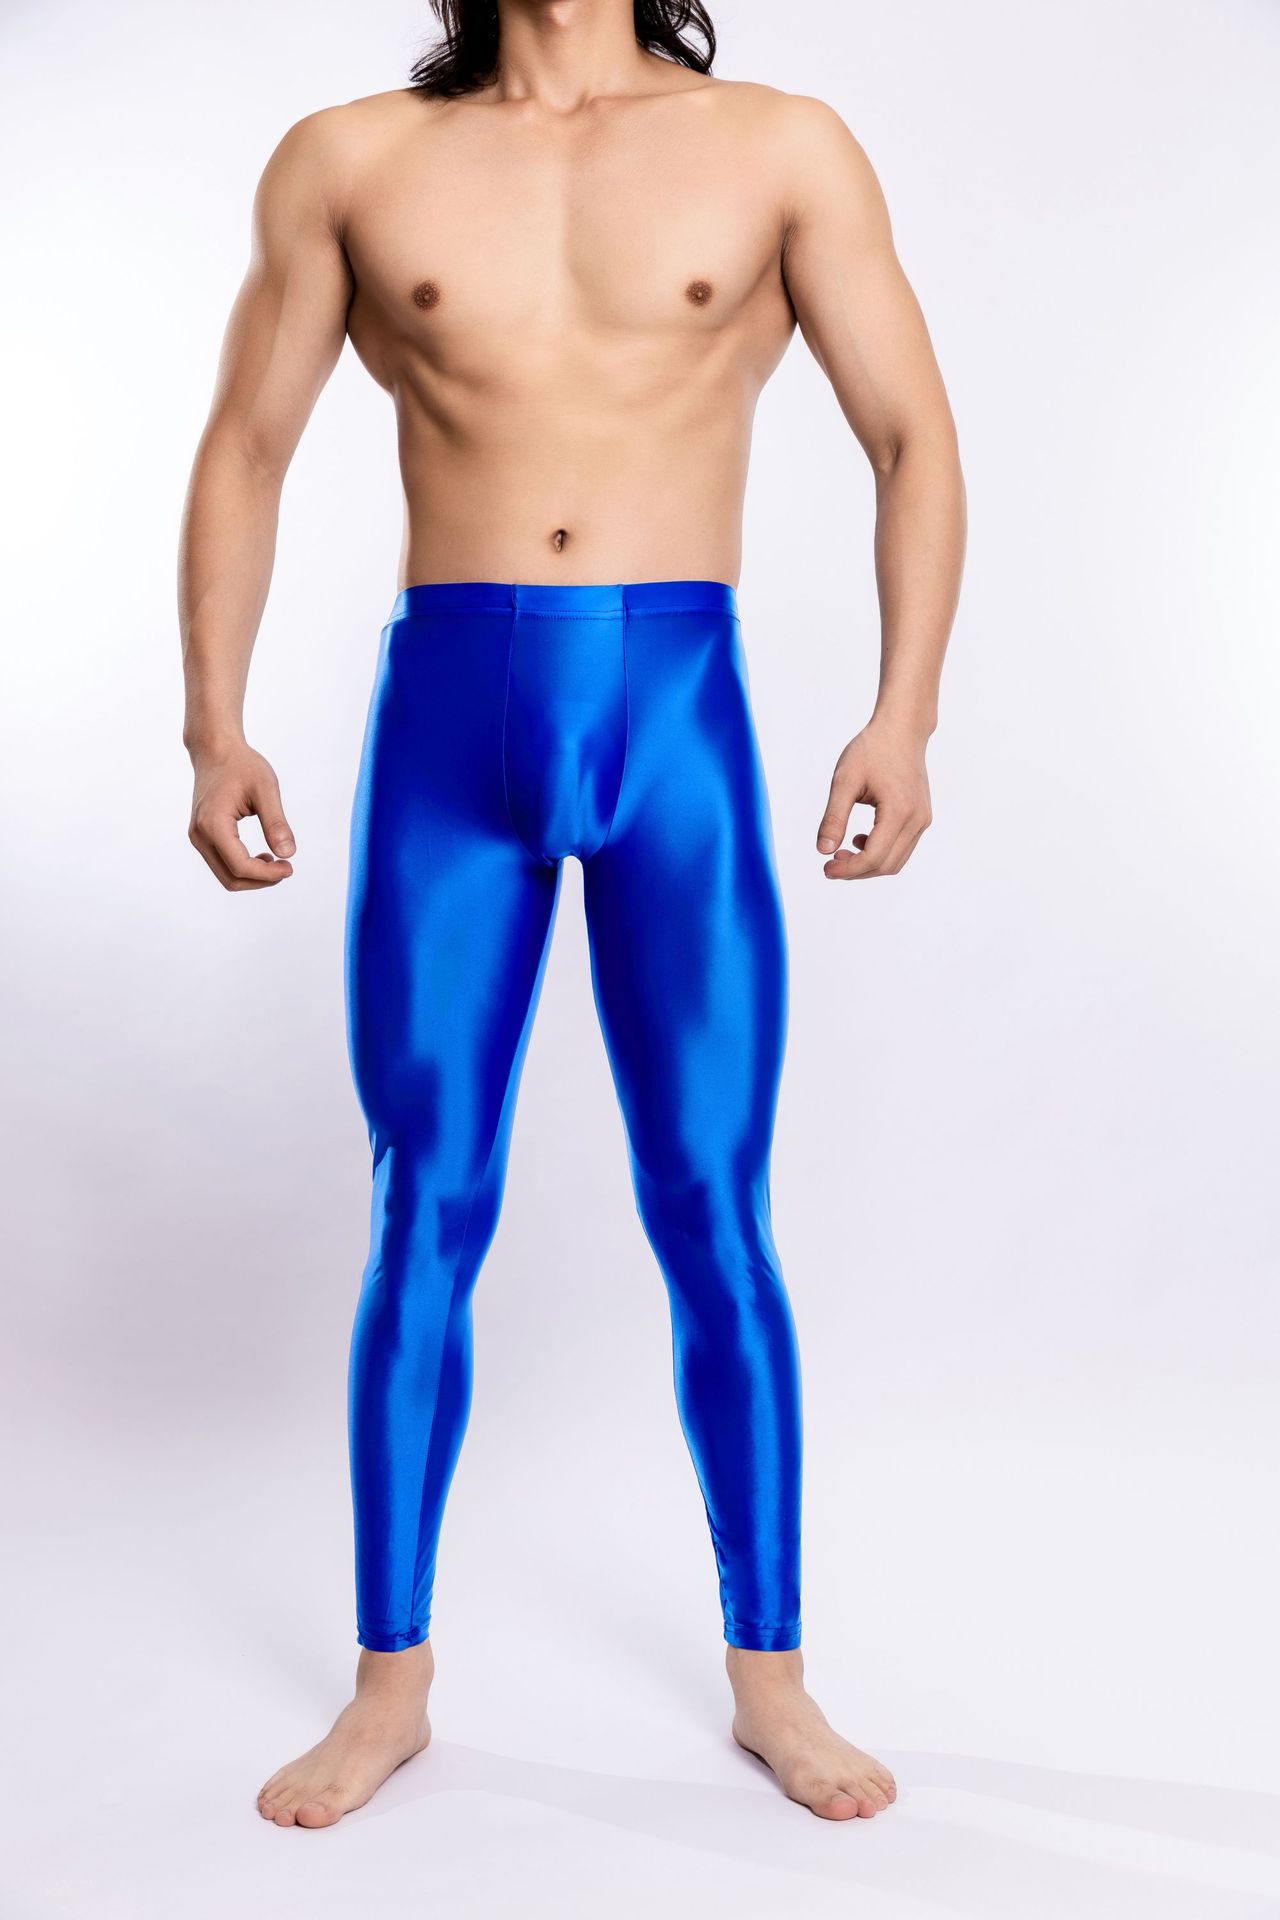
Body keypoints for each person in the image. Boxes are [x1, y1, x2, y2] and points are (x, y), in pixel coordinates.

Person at [179, 0, 966, 1831]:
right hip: (449, 718)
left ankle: (772, 1676)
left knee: (712, 1205)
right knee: (425, 1201)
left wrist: (904, 715)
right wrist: (214, 726)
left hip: (676, 710)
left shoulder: (778, 144)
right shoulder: (353, 159)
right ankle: (390, 1685)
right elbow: (246, 447)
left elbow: (911, 434)